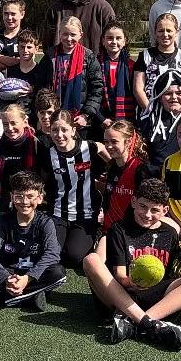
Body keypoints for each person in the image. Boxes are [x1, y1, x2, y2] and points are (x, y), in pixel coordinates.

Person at [84, 177, 181, 350]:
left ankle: (134, 323)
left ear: (165, 210)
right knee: (91, 260)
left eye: (155, 210)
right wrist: (132, 282)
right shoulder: (119, 229)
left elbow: (170, 278)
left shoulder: (170, 233)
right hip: (122, 297)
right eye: (143, 206)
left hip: (155, 300)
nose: (147, 214)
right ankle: (149, 325)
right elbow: (121, 276)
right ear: (134, 201)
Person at [0, 170, 65, 311]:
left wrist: (27, 278)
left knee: (58, 272)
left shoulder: (45, 222)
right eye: (19, 196)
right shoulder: (3, 221)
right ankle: (31, 296)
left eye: (30, 196)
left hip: (32, 272)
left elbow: (52, 254)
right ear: (12, 197)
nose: (24, 202)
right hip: (8, 271)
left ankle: (6, 297)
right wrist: (6, 278)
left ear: (40, 198)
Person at [43, 109, 102, 272]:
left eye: (64, 129)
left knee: (74, 256)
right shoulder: (48, 154)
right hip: (58, 213)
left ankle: (94, 236)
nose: (59, 135)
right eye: (55, 130)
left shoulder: (89, 148)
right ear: (49, 131)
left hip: (85, 215)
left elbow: (106, 154)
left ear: (73, 130)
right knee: (52, 254)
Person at [138, 69, 181, 174]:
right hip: (154, 179)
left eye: (179, 93)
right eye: (168, 93)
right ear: (160, 97)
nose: (174, 97)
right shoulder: (147, 122)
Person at [50, 16, 104, 133]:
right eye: (65, 34)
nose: (69, 38)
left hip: (80, 119)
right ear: (59, 34)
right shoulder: (50, 56)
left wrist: (86, 115)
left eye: (73, 35)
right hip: (55, 118)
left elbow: (97, 89)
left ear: (81, 35)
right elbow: (42, 86)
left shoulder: (88, 57)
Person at [132, 12, 181, 115]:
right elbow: (138, 89)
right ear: (155, 32)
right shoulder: (144, 56)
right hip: (149, 112)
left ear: (176, 32)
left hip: (176, 114)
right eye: (161, 30)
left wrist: (177, 112)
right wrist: (151, 112)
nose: (165, 34)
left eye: (169, 30)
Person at [97, 22, 135, 124]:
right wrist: (101, 119)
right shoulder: (95, 64)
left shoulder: (131, 66)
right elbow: (90, 94)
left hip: (126, 119)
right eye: (110, 38)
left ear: (124, 41)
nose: (114, 41)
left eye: (118, 38)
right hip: (100, 118)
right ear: (103, 41)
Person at [0, 0, 27, 71]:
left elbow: (25, 63)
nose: (9, 18)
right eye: (6, 13)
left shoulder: (27, 36)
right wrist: (13, 63)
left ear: (22, 14)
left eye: (13, 14)